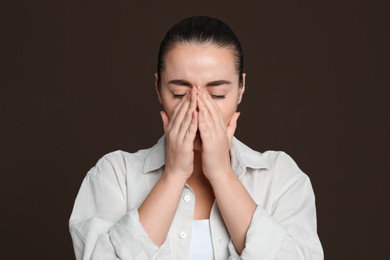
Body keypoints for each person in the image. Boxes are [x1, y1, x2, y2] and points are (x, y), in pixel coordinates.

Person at [69, 16, 324, 260]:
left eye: (218, 94)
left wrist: (222, 174)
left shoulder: (281, 178)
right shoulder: (114, 176)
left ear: (241, 89)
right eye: (180, 94)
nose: (198, 109)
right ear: (158, 89)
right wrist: (174, 175)